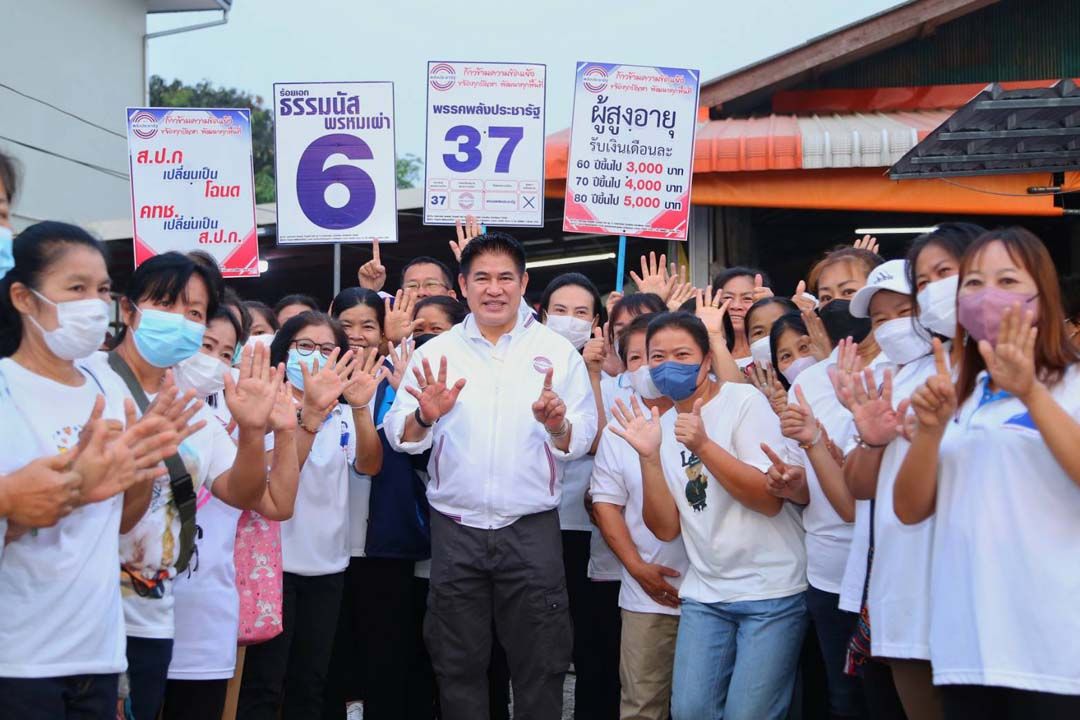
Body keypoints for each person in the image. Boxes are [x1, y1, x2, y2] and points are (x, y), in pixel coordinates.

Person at [384, 231, 597, 720]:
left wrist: (557, 423)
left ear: (524, 284)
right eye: (482, 277)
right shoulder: (436, 351)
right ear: (462, 285)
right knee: (456, 664)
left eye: (506, 277)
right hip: (455, 532)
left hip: (532, 531)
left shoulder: (557, 351)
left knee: (541, 664)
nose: (494, 288)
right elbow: (399, 432)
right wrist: (425, 416)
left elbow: (582, 436)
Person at [0, 222, 198, 719]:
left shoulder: (105, 386)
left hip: (99, 650)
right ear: (23, 298)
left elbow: (122, 521)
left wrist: (140, 469)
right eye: (76, 288)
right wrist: (75, 488)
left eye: (102, 289)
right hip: (20, 655)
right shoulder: (6, 387)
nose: (94, 303)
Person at [83, 251, 290, 719]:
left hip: (154, 617)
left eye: (193, 312)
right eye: (164, 303)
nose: (180, 320)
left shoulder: (190, 404)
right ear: (129, 309)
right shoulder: (89, 382)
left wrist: (255, 430)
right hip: (91, 615)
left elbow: (241, 491)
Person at [894, 227, 1080, 720]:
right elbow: (909, 510)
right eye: (973, 283)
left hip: (1054, 653)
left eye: (1006, 279)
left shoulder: (1072, 384)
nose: (985, 295)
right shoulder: (962, 394)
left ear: (1041, 295)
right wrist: (931, 432)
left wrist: (1031, 395)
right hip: (965, 649)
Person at [609, 311, 807, 720]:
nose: (668, 365)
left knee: (749, 714)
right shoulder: (661, 427)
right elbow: (665, 528)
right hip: (706, 592)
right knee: (691, 710)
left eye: (682, 355)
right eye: (657, 357)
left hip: (769, 589)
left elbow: (768, 500)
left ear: (705, 361)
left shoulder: (744, 402)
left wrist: (702, 445)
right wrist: (648, 458)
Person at [836, 224, 980, 720]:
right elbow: (861, 488)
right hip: (904, 589)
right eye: (881, 318)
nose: (895, 324)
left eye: (906, 309)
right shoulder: (897, 380)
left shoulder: (1014, 370)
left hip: (977, 592)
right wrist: (872, 441)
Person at [238, 311, 383, 720]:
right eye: (305, 346)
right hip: (273, 565)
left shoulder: (343, 409)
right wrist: (309, 418)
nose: (315, 357)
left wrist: (359, 409)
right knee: (264, 683)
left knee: (310, 681)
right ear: (283, 351)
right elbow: (275, 478)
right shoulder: (266, 404)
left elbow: (370, 465)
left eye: (326, 349)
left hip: (328, 566)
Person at [163, 305, 301, 720]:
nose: (211, 361)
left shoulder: (213, 419)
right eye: (205, 345)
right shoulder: (118, 402)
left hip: (203, 621)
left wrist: (280, 430)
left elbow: (275, 503)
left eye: (225, 353)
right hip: (136, 615)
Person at [590, 313, 690, 720]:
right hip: (648, 593)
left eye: (660, 356)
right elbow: (605, 503)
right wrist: (636, 567)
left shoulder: (708, 413)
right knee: (642, 705)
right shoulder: (619, 427)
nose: (649, 367)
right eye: (636, 358)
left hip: (715, 590)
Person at [539, 272, 621, 720]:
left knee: (592, 640)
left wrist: (592, 371)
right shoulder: (519, 367)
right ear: (541, 313)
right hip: (532, 524)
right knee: (539, 643)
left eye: (581, 312)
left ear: (596, 323)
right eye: (560, 311)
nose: (569, 320)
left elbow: (596, 440)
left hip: (585, 527)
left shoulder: (606, 380)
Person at [712, 267, 773, 367]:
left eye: (747, 298)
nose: (736, 306)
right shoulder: (705, 351)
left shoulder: (773, 350)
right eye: (728, 297)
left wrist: (771, 307)